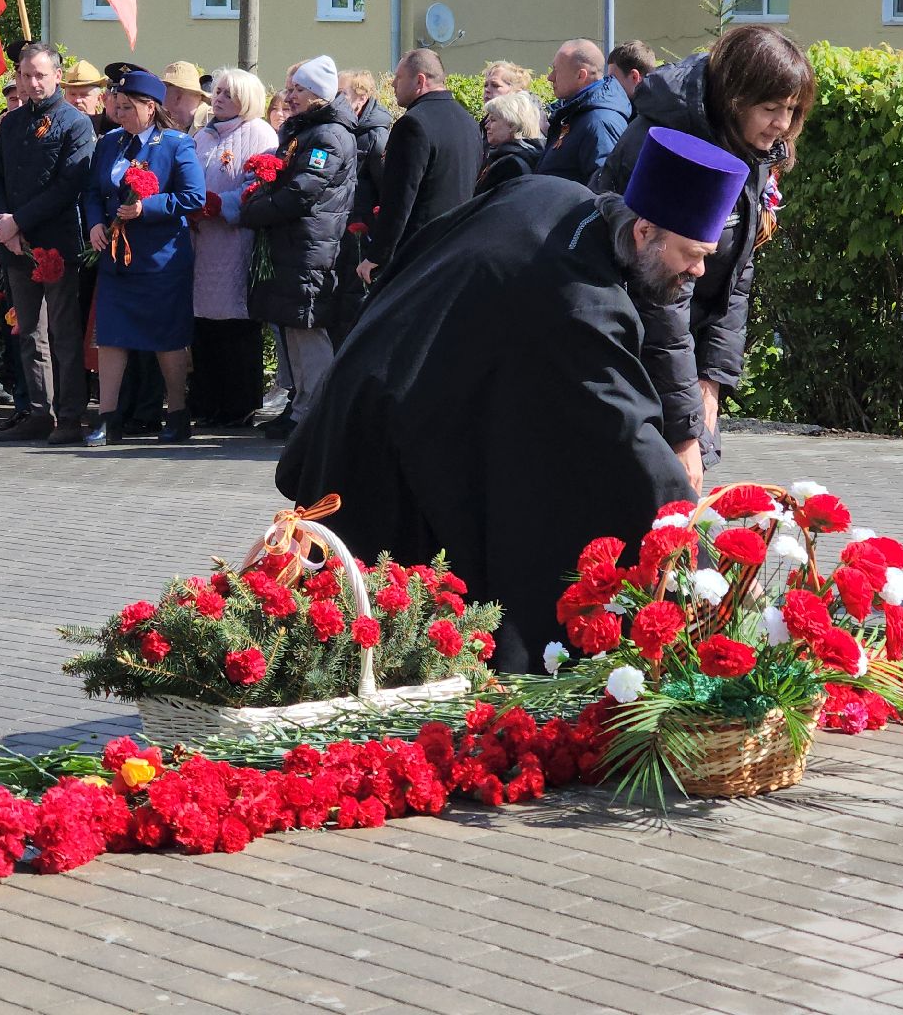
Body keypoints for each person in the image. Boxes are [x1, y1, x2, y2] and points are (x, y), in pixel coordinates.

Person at [279, 128, 745, 672]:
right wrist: (706, 567)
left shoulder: (559, 195)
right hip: (387, 419)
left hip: (378, 373)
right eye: (692, 255)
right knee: (368, 617)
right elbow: (629, 440)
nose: (699, 272)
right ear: (644, 232)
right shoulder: (587, 305)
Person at [593, 24, 814, 493]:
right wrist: (684, 430)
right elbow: (662, 295)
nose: (782, 125)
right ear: (734, 97)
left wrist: (712, 378)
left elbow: (737, 271)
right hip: (624, 353)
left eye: (791, 111)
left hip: (679, 355)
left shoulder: (747, 147)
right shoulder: (673, 142)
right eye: (771, 109)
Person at [81, 69, 205, 445]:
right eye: (116, 106)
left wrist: (147, 208)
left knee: (166, 338)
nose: (119, 114)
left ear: (150, 108)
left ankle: (178, 413)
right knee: (112, 337)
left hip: (160, 262)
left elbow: (194, 197)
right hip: (117, 259)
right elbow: (91, 192)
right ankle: (107, 418)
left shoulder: (176, 145)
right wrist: (94, 224)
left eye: (127, 107)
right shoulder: (110, 143)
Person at [237, 55, 356, 441]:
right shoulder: (303, 131)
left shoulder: (328, 136)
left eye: (297, 90)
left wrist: (256, 211)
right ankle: (302, 407)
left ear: (318, 94)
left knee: (308, 328)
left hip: (310, 245)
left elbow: (305, 190)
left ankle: (317, 411)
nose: (288, 96)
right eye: (289, 89)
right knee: (293, 326)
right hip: (293, 243)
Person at [0, 40, 97, 445]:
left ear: (57, 76)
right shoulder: (11, 123)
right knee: (29, 331)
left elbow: (69, 185)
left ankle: (69, 416)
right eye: (25, 75)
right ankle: (39, 411)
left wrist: (19, 222)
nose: (32, 83)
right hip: (16, 242)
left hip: (56, 241)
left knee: (63, 332)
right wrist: (2, 226)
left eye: (40, 75)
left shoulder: (74, 123)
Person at [190, 67, 278, 430]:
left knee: (236, 325)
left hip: (235, 240)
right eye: (218, 91)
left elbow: (258, 185)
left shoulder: (259, 133)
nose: (219, 98)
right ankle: (208, 403)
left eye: (228, 92)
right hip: (201, 241)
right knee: (204, 324)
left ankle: (238, 405)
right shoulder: (202, 136)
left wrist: (221, 205)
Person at [356, 49, 482, 290]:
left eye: (399, 77)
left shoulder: (412, 124)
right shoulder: (468, 121)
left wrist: (377, 257)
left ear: (420, 81)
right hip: (454, 248)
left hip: (417, 256)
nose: (393, 84)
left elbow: (399, 199)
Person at [336, 68, 390, 337]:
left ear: (361, 98)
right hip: (343, 228)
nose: (337, 100)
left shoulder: (376, 136)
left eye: (342, 94)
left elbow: (385, 190)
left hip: (360, 231)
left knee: (353, 306)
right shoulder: (346, 130)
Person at [539, 38, 630, 186]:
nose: (550, 78)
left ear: (581, 75)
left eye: (556, 70)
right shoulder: (575, 113)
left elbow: (603, 190)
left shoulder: (599, 122)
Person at [475, 91, 546, 193]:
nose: (487, 126)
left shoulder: (511, 165)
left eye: (493, 120)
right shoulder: (506, 156)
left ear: (513, 125)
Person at [63, 58, 111, 133]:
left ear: (99, 99)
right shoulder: (55, 129)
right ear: (64, 98)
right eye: (72, 94)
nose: (77, 100)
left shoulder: (109, 132)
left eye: (84, 95)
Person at [160, 61, 211, 132]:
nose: (160, 101)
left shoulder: (215, 122)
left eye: (163, 93)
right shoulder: (168, 126)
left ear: (178, 97)